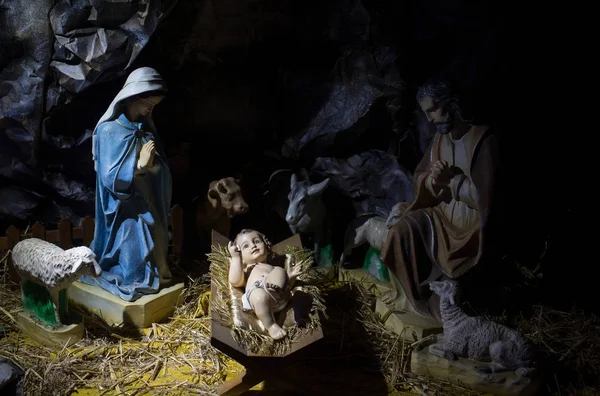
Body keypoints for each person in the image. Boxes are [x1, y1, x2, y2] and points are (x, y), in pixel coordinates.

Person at [381, 76, 500, 324]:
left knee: (456, 282)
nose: (430, 119)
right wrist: (431, 183)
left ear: (451, 102)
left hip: (469, 228)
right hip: (440, 216)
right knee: (400, 231)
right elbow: (420, 176)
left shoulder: (482, 140)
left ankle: (442, 310)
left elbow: (486, 200)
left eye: (433, 109)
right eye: (426, 113)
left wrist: (453, 183)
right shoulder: (439, 141)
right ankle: (416, 301)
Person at [78, 67, 173, 302]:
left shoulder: (144, 131)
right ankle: (128, 275)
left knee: (158, 237)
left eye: (154, 106)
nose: (150, 110)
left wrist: (151, 167)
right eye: (148, 104)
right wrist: (139, 167)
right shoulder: (108, 130)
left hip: (145, 200)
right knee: (132, 262)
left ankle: (153, 275)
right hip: (122, 210)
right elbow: (109, 178)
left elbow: (160, 169)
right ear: (133, 97)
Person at [228, 229, 301, 340]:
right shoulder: (246, 270)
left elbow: (287, 286)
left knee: (280, 271)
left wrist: (290, 277)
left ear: (266, 245)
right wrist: (235, 258)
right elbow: (235, 281)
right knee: (259, 296)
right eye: (245, 246)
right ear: (241, 255)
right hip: (259, 296)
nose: (253, 246)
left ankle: (272, 288)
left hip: (279, 295)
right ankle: (271, 326)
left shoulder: (273, 267)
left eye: (257, 241)